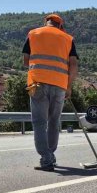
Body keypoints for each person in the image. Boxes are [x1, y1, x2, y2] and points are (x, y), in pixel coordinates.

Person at [23, 14, 79, 171]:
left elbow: (25, 60)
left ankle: (46, 157)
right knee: (54, 121)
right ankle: (51, 154)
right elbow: (73, 65)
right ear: (60, 25)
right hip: (60, 85)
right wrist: (69, 86)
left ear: (46, 22)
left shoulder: (33, 34)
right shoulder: (68, 38)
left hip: (38, 83)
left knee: (40, 122)